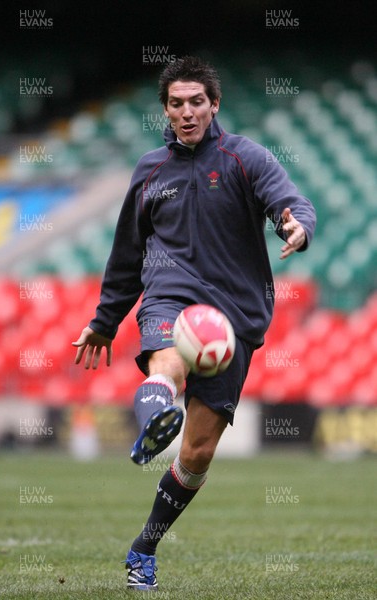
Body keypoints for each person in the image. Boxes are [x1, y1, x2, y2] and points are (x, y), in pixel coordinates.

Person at [73, 55, 316, 591]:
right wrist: (105, 321)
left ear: (214, 105)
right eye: (177, 103)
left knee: (199, 454)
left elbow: (290, 201)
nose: (188, 112)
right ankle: (156, 412)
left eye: (197, 102)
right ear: (165, 108)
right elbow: (126, 254)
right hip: (170, 295)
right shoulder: (149, 171)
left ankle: (145, 545)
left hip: (236, 316)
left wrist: (296, 226)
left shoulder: (243, 157)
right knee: (168, 357)